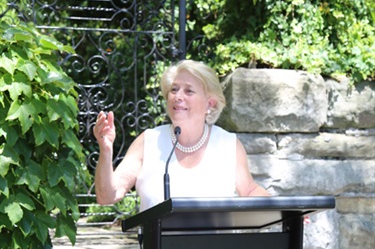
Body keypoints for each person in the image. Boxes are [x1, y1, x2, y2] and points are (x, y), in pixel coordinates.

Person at [93, 59, 269, 209]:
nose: (178, 96)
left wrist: (290, 211)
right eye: (174, 89)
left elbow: (250, 191)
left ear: (210, 104)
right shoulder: (149, 141)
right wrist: (106, 149)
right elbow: (107, 196)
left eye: (189, 91)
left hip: (217, 248)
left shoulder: (228, 145)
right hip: (159, 248)